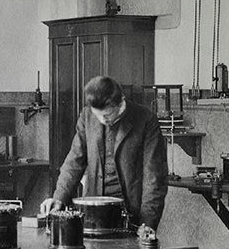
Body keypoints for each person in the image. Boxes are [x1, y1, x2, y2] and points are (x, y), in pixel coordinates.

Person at [39, 75, 169, 236]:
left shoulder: (146, 120)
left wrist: (147, 223)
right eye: (98, 115)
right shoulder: (87, 116)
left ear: (120, 102)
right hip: (92, 214)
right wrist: (58, 198)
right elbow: (74, 161)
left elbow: (154, 178)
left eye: (107, 116)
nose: (102, 120)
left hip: (130, 216)